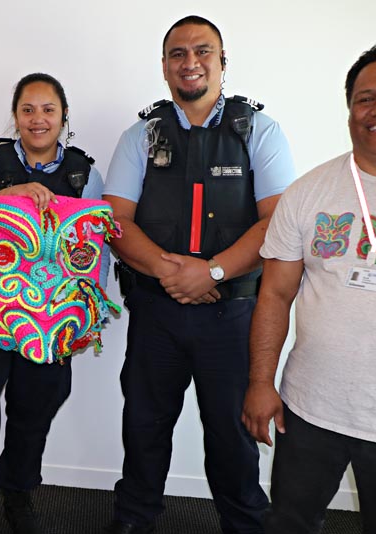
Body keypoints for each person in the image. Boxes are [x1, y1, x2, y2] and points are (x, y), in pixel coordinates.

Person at [102, 15, 296, 534]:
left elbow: (276, 221)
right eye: (178, 54)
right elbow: (113, 220)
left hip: (233, 316)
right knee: (143, 430)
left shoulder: (259, 129)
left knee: (232, 440)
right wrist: (173, 273)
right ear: (165, 67)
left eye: (202, 51)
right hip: (156, 313)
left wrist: (210, 272)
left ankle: (245, 525)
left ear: (222, 62)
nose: (190, 63)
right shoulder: (140, 135)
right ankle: (133, 522)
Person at [242, 43, 376, 534]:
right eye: (365, 98)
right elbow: (274, 294)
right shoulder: (309, 191)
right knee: (288, 522)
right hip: (309, 408)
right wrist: (261, 382)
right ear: (349, 110)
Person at [0, 72, 105, 534]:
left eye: (48, 109)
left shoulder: (84, 173)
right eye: (28, 109)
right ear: (15, 116)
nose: (38, 119)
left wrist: (88, 318)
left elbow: (98, 252)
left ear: (64, 116)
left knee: (33, 414)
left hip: (53, 321)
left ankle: (18, 492)